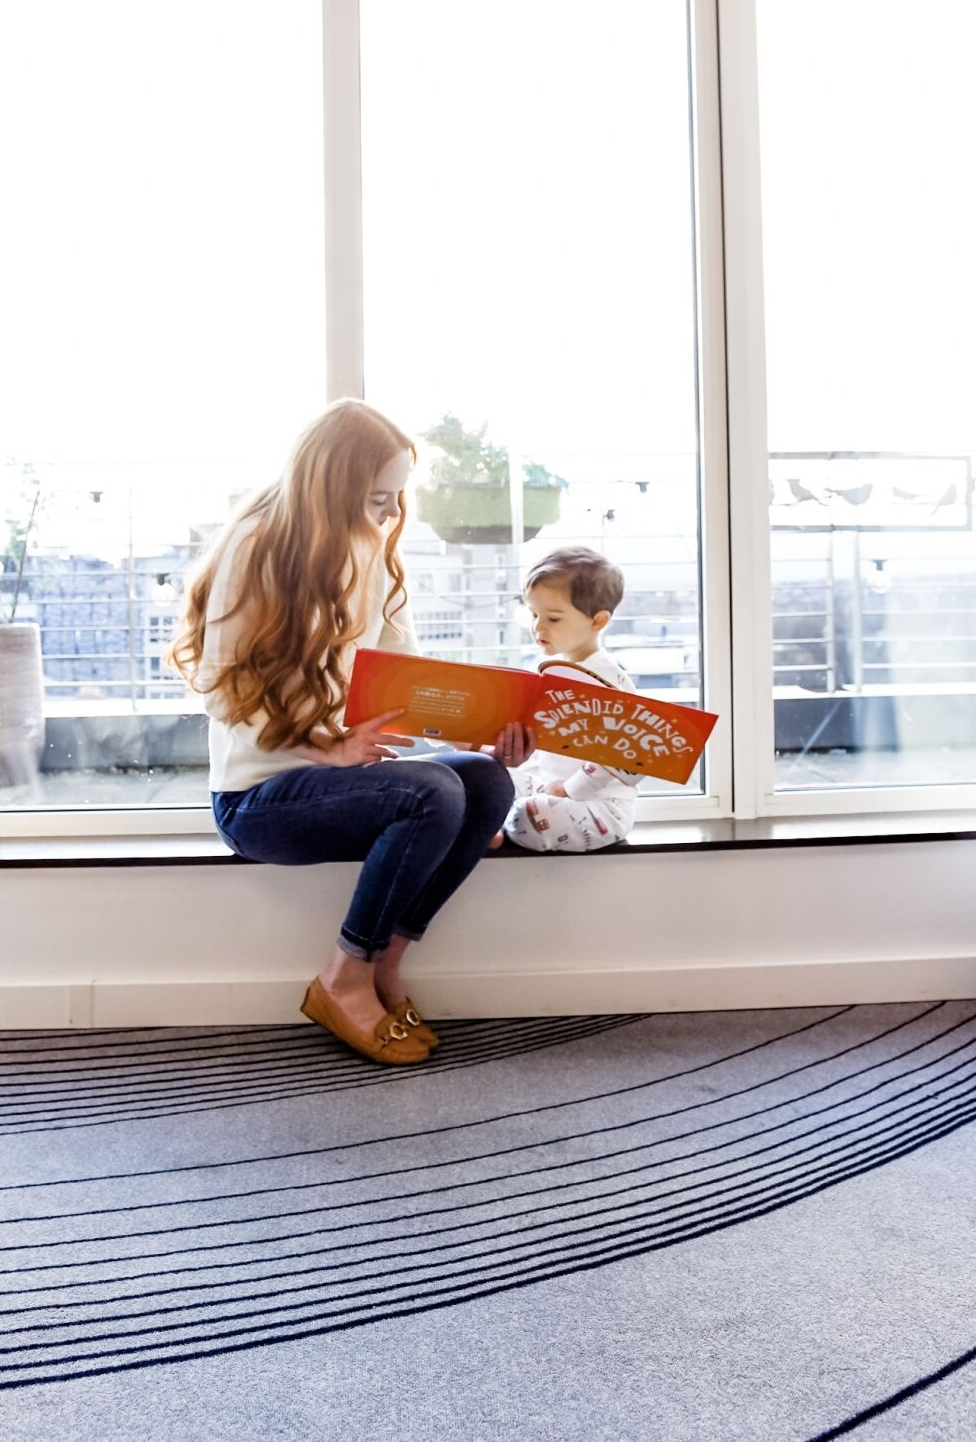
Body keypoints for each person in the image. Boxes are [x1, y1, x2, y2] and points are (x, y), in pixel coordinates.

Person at [171, 401, 527, 1067]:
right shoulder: (256, 547)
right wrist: (326, 747)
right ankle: (342, 976)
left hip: (343, 785)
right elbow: (220, 690)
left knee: (483, 782)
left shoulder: (377, 555)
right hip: (259, 799)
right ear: (328, 490)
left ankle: (383, 964)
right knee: (431, 794)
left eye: (396, 499)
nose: (389, 515)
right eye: (375, 499)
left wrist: (481, 731)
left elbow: (407, 686)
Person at [500, 546, 642, 852]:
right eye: (534, 615)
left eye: (553, 618)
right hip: (550, 786)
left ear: (598, 621)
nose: (538, 627)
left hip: (599, 807)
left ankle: (500, 826)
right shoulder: (551, 673)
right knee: (488, 775)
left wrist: (567, 789)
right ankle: (497, 821)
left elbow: (621, 757)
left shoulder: (608, 680)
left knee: (534, 814)